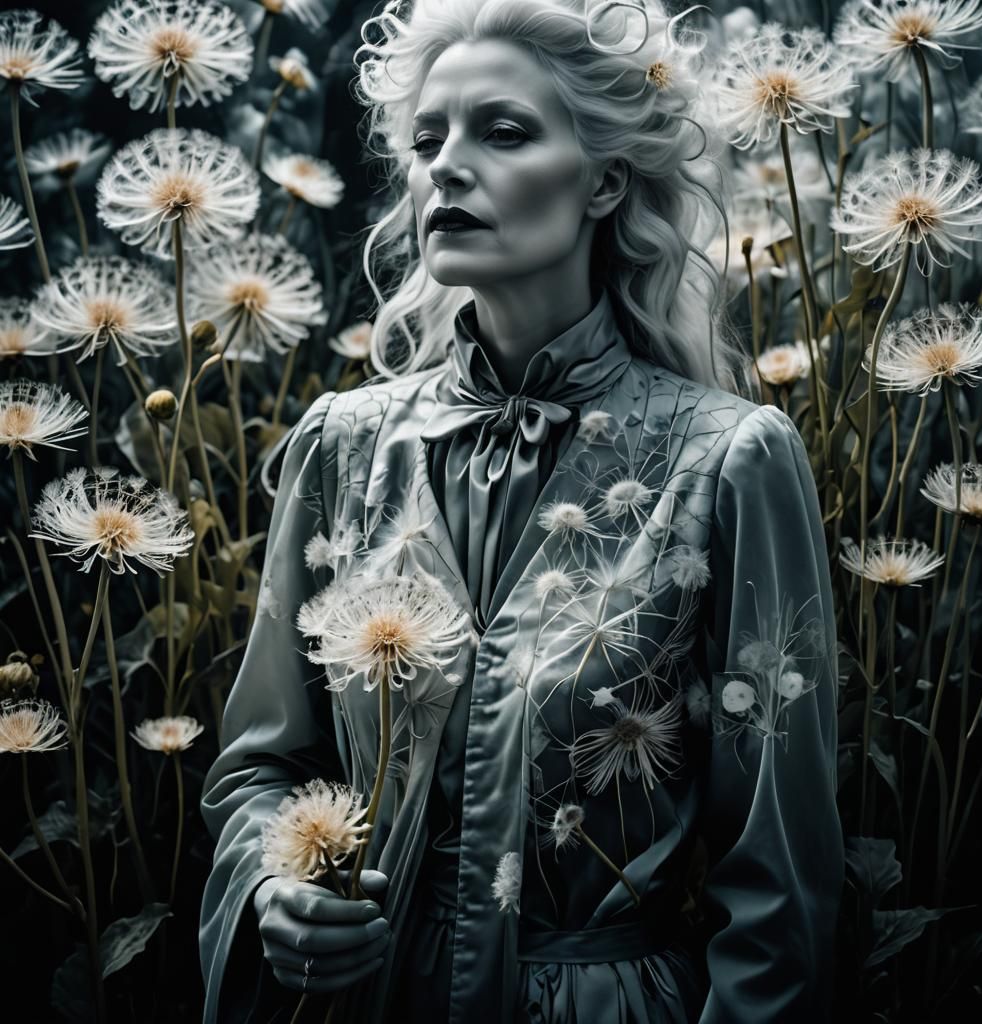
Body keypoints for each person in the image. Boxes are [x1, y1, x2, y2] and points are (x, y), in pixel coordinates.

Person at [198, 1, 844, 1022]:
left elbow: (780, 874)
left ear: (602, 180)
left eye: (501, 131)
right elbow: (265, 764)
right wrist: (274, 889)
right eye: (426, 140)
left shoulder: (727, 461)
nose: (446, 166)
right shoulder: (341, 444)